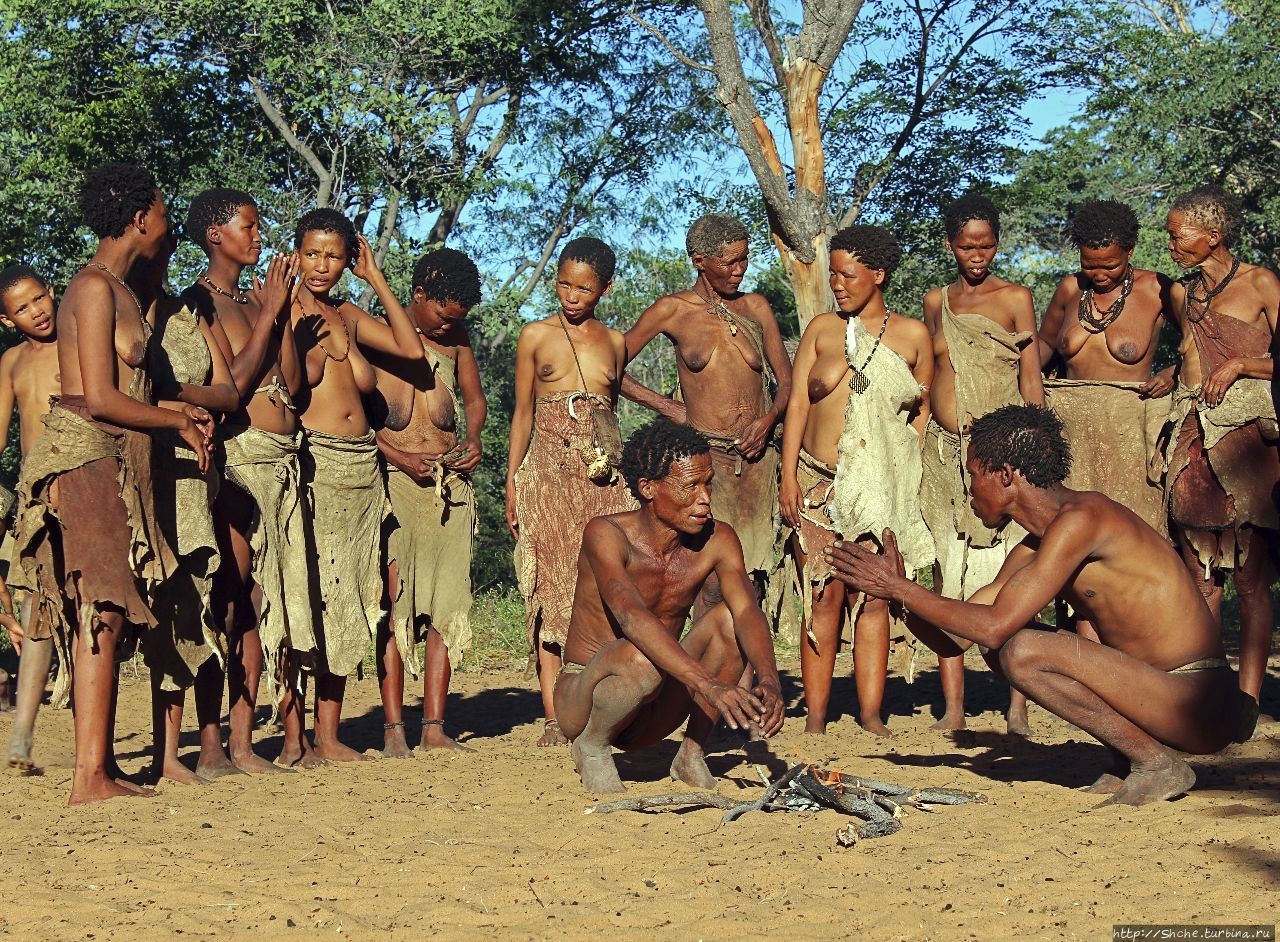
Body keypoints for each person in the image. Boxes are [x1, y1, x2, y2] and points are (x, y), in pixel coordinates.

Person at [826, 404, 1256, 807]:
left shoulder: (1083, 520)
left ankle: (1156, 763)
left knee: (1021, 649)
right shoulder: (1038, 545)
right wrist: (899, 598)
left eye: (974, 474)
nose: (968, 489)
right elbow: (956, 640)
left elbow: (995, 626)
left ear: (1007, 475)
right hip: (1158, 696)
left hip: (1195, 700)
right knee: (1003, 648)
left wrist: (902, 589)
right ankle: (1129, 760)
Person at [14, 163, 213, 803]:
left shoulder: (122, 287)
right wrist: (174, 418)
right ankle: (88, 777)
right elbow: (99, 396)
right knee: (98, 605)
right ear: (137, 218)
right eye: (160, 208)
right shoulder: (93, 289)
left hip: (116, 462)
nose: (165, 217)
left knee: (109, 607)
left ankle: (96, 768)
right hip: (85, 456)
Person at [554, 418, 785, 793]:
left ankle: (690, 754)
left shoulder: (718, 539)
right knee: (642, 653)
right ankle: (592, 746)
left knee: (728, 622)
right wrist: (709, 685)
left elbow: (745, 612)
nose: (705, 498)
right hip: (586, 698)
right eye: (691, 486)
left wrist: (770, 680)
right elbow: (631, 616)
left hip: (656, 698)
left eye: (708, 483)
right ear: (648, 488)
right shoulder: (606, 534)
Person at [779, 224, 933, 737]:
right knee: (820, 596)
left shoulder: (911, 336)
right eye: (833, 275)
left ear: (879, 274)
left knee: (873, 596)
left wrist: (893, 478)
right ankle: (817, 721)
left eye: (848, 275)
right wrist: (787, 477)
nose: (838, 284)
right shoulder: (822, 330)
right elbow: (798, 404)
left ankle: (871, 715)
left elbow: (920, 416)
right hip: (816, 482)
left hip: (879, 489)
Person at [286, 208, 422, 764]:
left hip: (362, 470)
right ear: (295, 253)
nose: (322, 265)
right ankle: (295, 736)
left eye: (334, 255)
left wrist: (377, 280)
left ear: (349, 258)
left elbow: (412, 351)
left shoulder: (347, 311)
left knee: (349, 598)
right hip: (315, 464)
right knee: (304, 597)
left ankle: (328, 734)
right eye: (313, 253)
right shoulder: (281, 312)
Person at [185, 188, 310, 774]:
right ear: (216, 235)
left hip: (282, 462)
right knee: (226, 601)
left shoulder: (260, 301)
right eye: (249, 227)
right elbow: (232, 383)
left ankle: (241, 741)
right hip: (236, 463)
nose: (259, 237)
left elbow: (291, 381)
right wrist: (267, 315)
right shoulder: (199, 305)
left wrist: (277, 314)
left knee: (263, 603)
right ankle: (210, 743)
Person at [620, 213, 792, 611]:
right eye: (728, 263)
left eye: (744, 259)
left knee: (753, 579)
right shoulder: (672, 310)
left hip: (756, 460)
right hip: (704, 463)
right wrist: (669, 408)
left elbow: (787, 381)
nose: (739, 270)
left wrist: (767, 422)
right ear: (699, 262)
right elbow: (609, 369)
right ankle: (709, 672)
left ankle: (750, 674)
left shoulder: (756, 307)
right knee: (710, 583)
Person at [919, 193, 1043, 733]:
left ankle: (1017, 703)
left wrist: (1035, 448)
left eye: (987, 244)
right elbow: (929, 382)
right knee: (951, 572)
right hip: (946, 457)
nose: (978, 254)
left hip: (1002, 460)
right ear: (951, 245)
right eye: (968, 245)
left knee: (1013, 576)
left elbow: (1031, 377)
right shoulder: (934, 301)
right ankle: (954, 707)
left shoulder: (1016, 297)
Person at [508, 237, 637, 747]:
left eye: (584, 288)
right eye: (563, 283)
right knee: (552, 587)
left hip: (603, 481)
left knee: (607, 585)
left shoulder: (616, 342)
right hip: (548, 474)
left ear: (605, 289)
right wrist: (514, 481)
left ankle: (607, 705)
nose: (571, 295)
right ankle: (553, 717)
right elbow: (522, 413)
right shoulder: (535, 335)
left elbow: (611, 415)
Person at [1162, 185, 1279, 706]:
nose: (1170, 244)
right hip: (1196, 440)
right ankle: (1209, 691)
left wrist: (1242, 364)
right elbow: (1191, 357)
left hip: (1249, 442)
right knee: (1201, 573)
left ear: (1214, 235)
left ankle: (1248, 700)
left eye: (1178, 235)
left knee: (1251, 576)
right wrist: (1171, 375)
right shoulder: (1185, 294)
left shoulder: (1261, 284)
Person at [132, 230, 240, 785]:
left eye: (167, 258)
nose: (161, 265)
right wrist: (172, 407)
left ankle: (171, 752)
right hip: (135, 471)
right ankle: (98, 757)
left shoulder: (188, 311)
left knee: (187, 603)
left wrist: (189, 405)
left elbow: (228, 392)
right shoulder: (116, 312)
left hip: (193, 478)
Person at [374, 248, 486, 756]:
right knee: (395, 604)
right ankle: (394, 729)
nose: (447, 327)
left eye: (456, 320)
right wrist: (397, 457)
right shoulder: (378, 337)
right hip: (393, 487)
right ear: (418, 296)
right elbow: (352, 418)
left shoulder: (458, 343)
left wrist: (476, 438)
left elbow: (474, 399)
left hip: (449, 485)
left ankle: (435, 726)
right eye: (441, 315)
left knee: (446, 605)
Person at [1038, 199, 1175, 536]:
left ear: (1130, 250)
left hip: (1130, 426)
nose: (1099, 275)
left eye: (1110, 265)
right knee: (1070, 527)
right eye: (1089, 265)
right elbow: (1042, 345)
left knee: (1136, 528)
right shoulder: (1071, 288)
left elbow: (1199, 343)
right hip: (1070, 427)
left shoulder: (1158, 288)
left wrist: (1173, 372)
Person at [0, 263, 61, 771]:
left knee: (95, 616)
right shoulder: (12, 363)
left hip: (90, 489)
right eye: (21, 309)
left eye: (38, 299)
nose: (35, 312)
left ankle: (94, 744)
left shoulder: (83, 342)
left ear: (52, 292)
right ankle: (21, 736)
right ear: (7, 320)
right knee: (36, 614)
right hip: (35, 500)